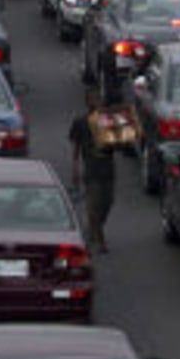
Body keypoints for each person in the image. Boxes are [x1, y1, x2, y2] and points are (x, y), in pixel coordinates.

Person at [69, 88, 118, 253]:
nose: (96, 102)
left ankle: (95, 232)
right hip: (91, 171)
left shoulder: (108, 121)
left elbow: (118, 141)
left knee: (108, 202)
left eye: (98, 99)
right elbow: (76, 147)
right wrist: (75, 168)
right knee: (94, 206)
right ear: (87, 102)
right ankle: (95, 240)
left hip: (108, 169)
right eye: (93, 99)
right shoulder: (81, 122)